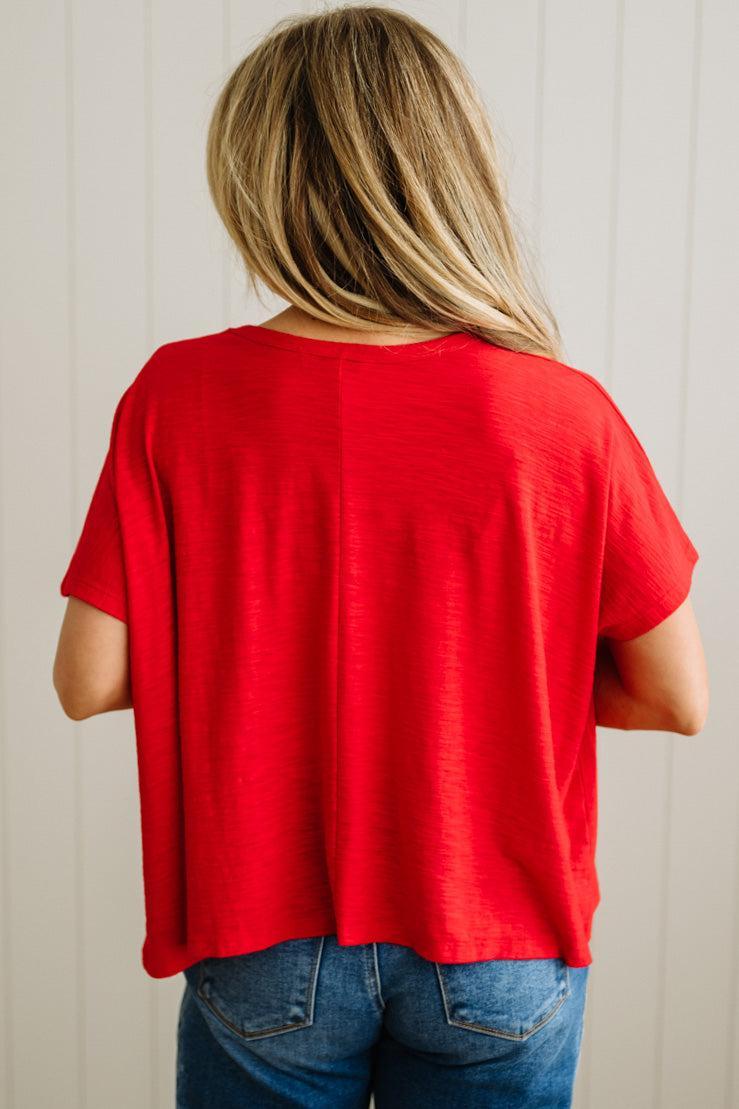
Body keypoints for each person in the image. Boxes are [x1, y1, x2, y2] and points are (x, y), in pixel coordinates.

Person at [52, 5, 708, 1107]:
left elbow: (88, 679)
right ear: (457, 174)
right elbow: (676, 695)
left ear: (260, 182)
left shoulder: (179, 397)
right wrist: (496, 681)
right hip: (497, 940)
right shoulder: (560, 414)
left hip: (263, 930)